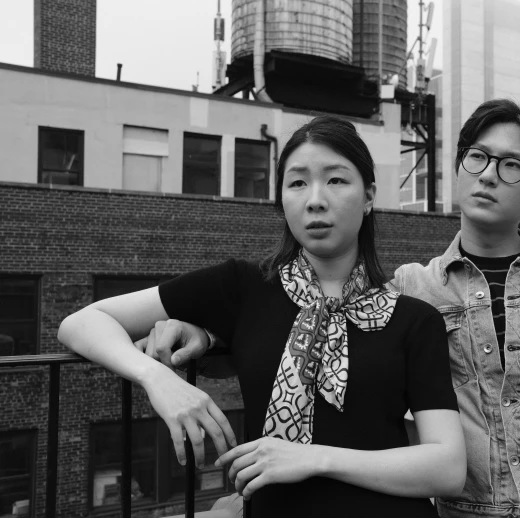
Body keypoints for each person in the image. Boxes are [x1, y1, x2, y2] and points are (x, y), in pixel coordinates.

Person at [146, 99, 520, 517]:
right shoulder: (413, 288)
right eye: (477, 157)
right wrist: (203, 329)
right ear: (458, 167)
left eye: (511, 166)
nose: (487, 174)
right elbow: (317, 323)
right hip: (479, 509)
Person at [58, 116, 466, 518]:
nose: (315, 199)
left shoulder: (413, 319)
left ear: (370, 196)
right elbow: (81, 323)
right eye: (297, 182)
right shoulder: (243, 288)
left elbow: (447, 469)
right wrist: (157, 378)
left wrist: (314, 458)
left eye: (337, 180)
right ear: (282, 200)